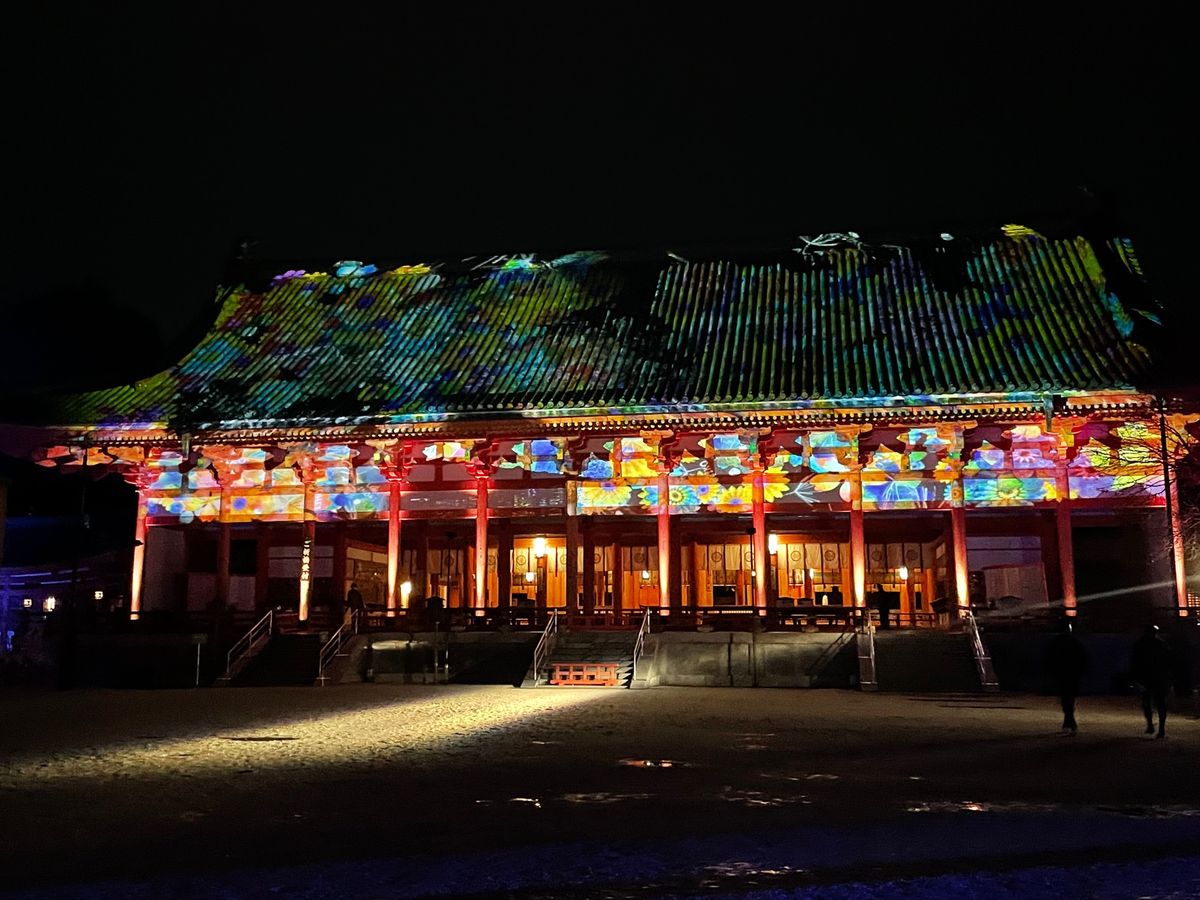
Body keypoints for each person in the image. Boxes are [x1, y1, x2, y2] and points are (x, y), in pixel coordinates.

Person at [1046, 619, 1088, 734]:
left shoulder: (1056, 643)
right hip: (1072, 674)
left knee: (1066, 698)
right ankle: (1070, 721)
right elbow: (1083, 659)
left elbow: (1049, 659)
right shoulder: (1075, 642)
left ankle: (1069, 721)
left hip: (1062, 674)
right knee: (1069, 697)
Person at [1130, 624, 1172, 739]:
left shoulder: (1140, 644)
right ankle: (1161, 729)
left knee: (1146, 702)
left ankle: (1150, 725)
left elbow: (1134, 662)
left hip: (1146, 678)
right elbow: (1169, 661)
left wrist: (1135, 678)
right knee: (1160, 704)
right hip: (1159, 678)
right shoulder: (1161, 644)